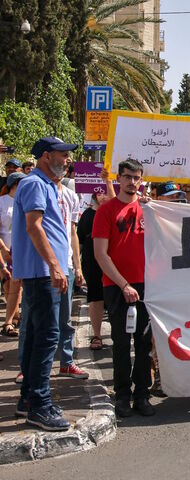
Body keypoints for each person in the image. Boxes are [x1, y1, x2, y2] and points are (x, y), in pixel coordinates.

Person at [13, 136, 76, 431]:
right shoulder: (35, 183)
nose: (67, 160)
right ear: (46, 156)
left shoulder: (43, 184)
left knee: (40, 335)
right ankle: (38, 405)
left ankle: (29, 398)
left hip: (43, 272)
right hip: (42, 273)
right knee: (48, 336)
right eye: (63, 155)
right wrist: (54, 265)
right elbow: (33, 225)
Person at [93, 159, 155, 417]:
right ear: (119, 178)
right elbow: (100, 254)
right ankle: (122, 396)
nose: (132, 182)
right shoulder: (106, 211)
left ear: (141, 180)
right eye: (127, 177)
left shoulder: (149, 209)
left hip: (146, 287)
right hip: (117, 287)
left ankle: (142, 394)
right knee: (121, 344)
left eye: (136, 177)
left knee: (143, 344)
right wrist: (124, 284)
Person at [56, 173, 88, 379]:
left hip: (66, 265)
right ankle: (27, 367)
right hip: (41, 268)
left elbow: (72, 233)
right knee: (35, 320)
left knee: (65, 319)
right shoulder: (37, 190)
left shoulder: (71, 197)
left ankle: (66, 362)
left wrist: (78, 267)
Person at [77, 191, 111, 350]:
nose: (103, 196)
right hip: (93, 263)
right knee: (96, 297)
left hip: (115, 262)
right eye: (100, 193)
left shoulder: (117, 211)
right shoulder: (87, 215)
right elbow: (80, 242)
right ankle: (97, 335)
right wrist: (77, 266)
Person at [1, 171, 24, 337]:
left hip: (21, 249)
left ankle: (14, 317)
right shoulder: (2, 202)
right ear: (15, 185)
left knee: (17, 285)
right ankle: (11, 319)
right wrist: (3, 249)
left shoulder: (24, 201)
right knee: (9, 284)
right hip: (5, 250)